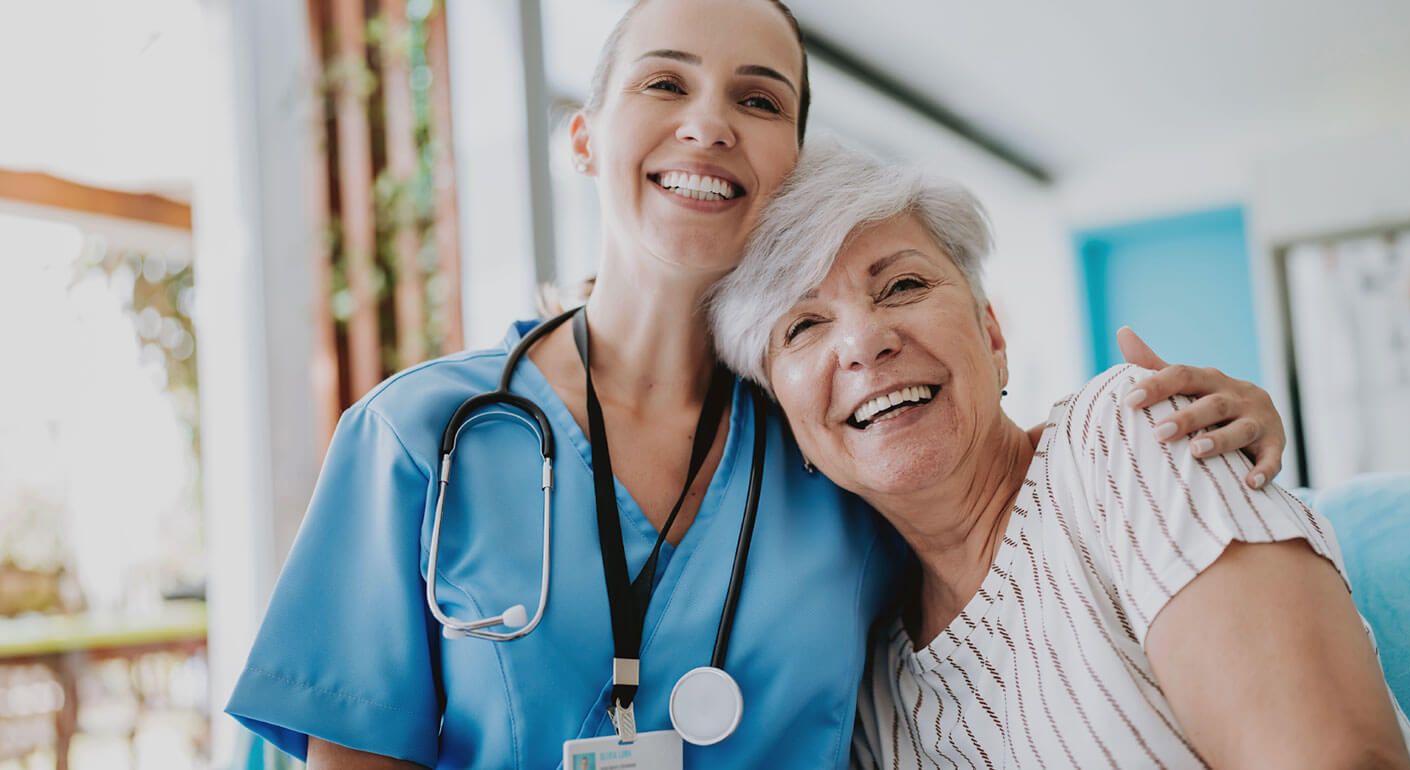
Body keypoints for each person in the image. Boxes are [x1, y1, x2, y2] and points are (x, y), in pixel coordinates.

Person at [224, 1, 1291, 767]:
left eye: (757, 97)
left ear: (788, 163)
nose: (708, 121)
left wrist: (1173, 433)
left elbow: (1008, 518)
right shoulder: (422, 436)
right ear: (587, 138)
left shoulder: (833, 441)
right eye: (664, 81)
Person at [708, 140, 1410, 769]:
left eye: (902, 285)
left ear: (992, 338)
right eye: (803, 325)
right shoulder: (867, 689)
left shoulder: (1126, 437)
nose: (864, 341)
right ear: (785, 416)